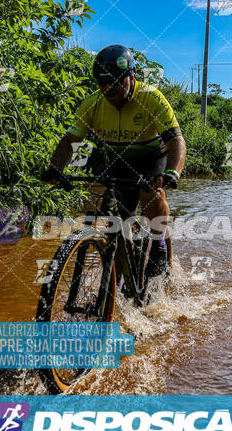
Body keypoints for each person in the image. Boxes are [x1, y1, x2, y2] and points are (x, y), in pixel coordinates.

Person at [41, 44, 186, 278]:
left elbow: (176, 141)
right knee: (116, 227)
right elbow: (69, 141)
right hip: (117, 159)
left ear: (131, 76)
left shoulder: (151, 98)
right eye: (103, 83)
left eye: (116, 81)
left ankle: (159, 243)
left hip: (151, 158)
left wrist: (172, 173)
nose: (109, 88)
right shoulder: (94, 103)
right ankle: (117, 285)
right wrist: (55, 170)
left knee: (152, 193)